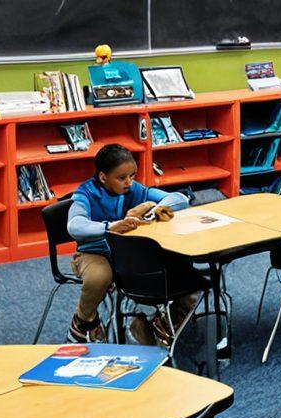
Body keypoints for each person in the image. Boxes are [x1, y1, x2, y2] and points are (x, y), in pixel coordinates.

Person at [66, 143, 192, 346]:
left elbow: (180, 199)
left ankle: (162, 325)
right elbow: (75, 226)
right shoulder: (86, 194)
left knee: (182, 268)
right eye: (122, 177)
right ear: (103, 177)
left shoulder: (135, 190)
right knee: (100, 276)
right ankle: (83, 322)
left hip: (128, 254)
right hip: (95, 253)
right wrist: (110, 227)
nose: (129, 182)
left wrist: (153, 209)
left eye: (132, 176)